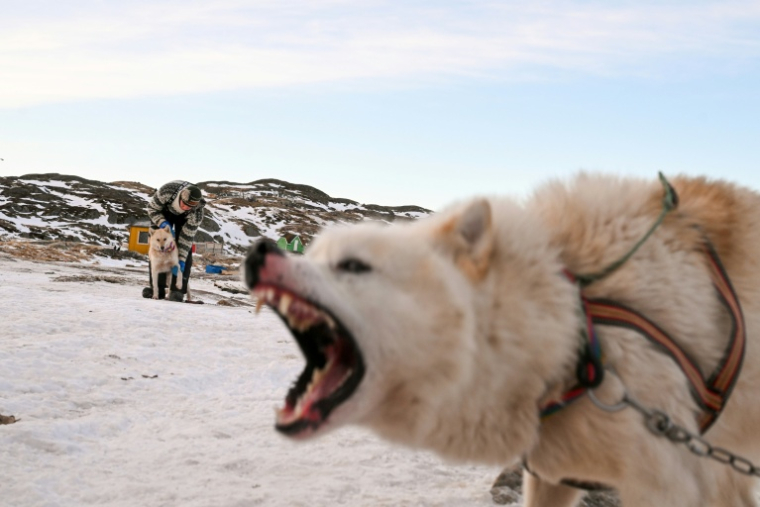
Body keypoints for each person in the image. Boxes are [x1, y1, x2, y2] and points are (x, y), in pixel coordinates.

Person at [141, 181, 205, 302]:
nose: (186, 207)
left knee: (185, 252)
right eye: (184, 204)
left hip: (185, 219)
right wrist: (162, 223)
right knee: (158, 248)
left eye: (190, 206)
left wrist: (181, 260)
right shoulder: (167, 191)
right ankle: (157, 289)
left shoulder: (196, 213)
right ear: (180, 197)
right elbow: (152, 209)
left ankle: (177, 290)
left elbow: (185, 240)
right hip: (163, 212)